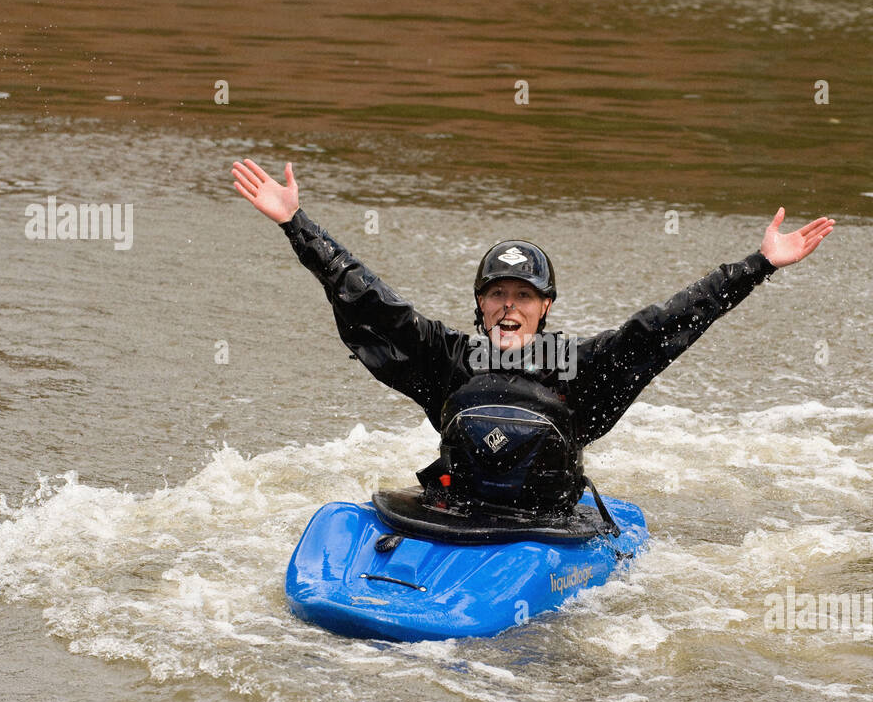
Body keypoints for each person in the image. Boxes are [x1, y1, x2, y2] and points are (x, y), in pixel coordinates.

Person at [232, 158, 834, 524]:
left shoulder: (581, 366)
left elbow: (671, 321)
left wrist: (762, 263)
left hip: (543, 525)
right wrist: (295, 224)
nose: (508, 305)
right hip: (457, 514)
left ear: (545, 308)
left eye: (523, 296)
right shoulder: (448, 359)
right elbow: (366, 297)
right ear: (480, 305)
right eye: (497, 294)